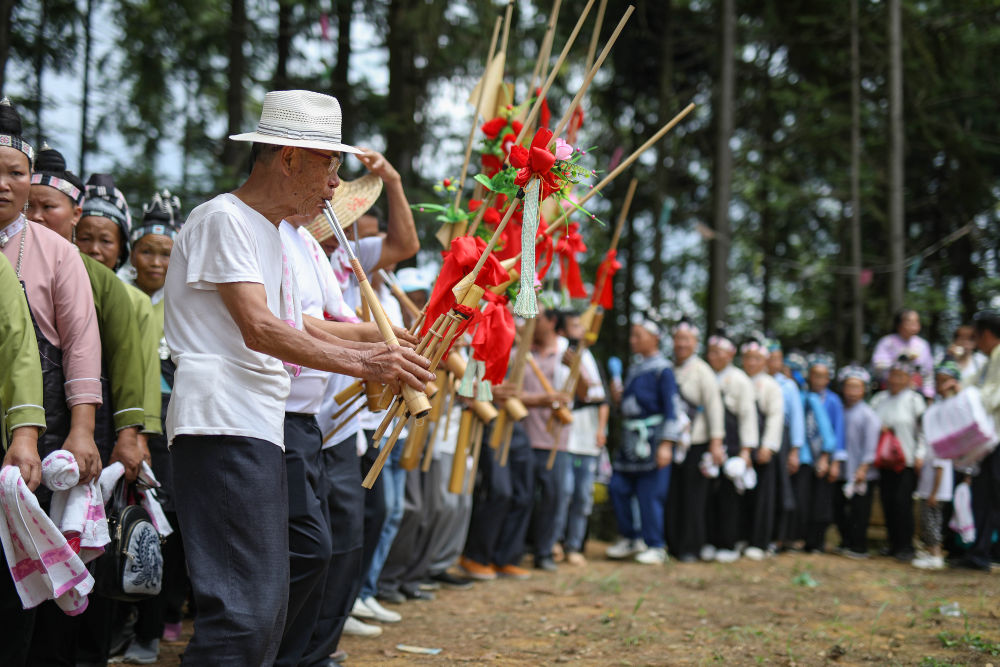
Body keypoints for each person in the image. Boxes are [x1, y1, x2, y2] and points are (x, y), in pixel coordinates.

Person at [163, 90, 433, 666]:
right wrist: (368, 362)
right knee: (243, 613)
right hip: (221, 425)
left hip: (258, 427)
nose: (337, 184)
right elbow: (261, 329)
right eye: (329, 164)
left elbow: (297, 325)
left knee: (264, 607)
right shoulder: (222, 217)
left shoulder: (273, 233)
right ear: (288, 158)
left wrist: (380, 342)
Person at [0, 99, 103, 667]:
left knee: (16, 571)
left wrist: (82, 432)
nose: (4, 184)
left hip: (36, 429)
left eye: (15, 173)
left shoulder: (57, 252)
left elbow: (82, 345)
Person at [118, 191, 191, 654]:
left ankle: (156, 621)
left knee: (166, 523)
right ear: (133, 252)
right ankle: (123, 618)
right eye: (147, 251)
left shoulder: (186, 299)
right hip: (124, 421)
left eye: (167, 254)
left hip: (170, 427)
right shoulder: (118, 294)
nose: (156, 262)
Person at [606, 317, 678, 565]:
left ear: (654, 338)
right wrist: (620, 398)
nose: (632, 340)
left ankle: (656, 544)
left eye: (638, 335)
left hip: (653, 438)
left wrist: (667, 443)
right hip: (630, 437)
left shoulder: (663, 369)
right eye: (632, 335)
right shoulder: (635, 368)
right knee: (618, 487)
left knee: (650, 493)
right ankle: (630, 537)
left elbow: (672, 408)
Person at [665, 318, 725, 563]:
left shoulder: (702, 371)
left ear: (695, 343)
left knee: (694, 497)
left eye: (686, 340)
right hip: (673, 441)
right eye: (678, 339)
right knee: (674, 494)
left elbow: (714, 408)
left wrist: (716, 443)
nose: (681, 344)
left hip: (697, 442)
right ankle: (674, 544)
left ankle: (692, 546)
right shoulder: (669, 368)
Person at [521, 307, 572, 572]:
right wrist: (539, 400)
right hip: (523, 436)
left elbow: (584, 392)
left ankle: (544, 551)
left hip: (554, 440)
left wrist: (574, 369)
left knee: (554, 497)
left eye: (536, 318)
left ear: (552, 322)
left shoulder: (566, 352)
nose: (530, 322)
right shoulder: (522, 349)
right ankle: (518, 549)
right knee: (523, 497)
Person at [555, 310, 608, 566]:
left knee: (582, 494)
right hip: (566, 434)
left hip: (588, 437)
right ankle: (554, 541)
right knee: (561, 492)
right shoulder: (560, 354)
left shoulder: (590, 357)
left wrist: (602, 430)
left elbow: (602, 399)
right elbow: (582, 393)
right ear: (563, 330)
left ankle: (574, 545)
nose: (581, 329)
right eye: (575, 325)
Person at [703, 330, 758, 563]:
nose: (713, 356)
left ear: (730, 354)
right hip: (707, 442)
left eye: (718, 352)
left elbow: (748, 417)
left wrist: (746, 451)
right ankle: (710, 540)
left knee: (729, 497)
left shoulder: (739, 380)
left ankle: (729, 542)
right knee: (708, 496)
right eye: (711, 352)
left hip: (733, 444)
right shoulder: (706, 375)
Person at [870, 356, 926, 562]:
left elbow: (923, 432)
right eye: (893, 375)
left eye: (901, 376)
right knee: (887, 502)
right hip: (883, 461)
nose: (895, 380)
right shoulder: (879, 400)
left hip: (906, 461)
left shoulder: (914, 400)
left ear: (909, 378)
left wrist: (920, 454)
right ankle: (893, 543)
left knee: (903, 503)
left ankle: (906, 545)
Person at [956, 309, 1000, 572]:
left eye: (975, 336)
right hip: (988, 441)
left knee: (994, 494)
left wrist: (969, 398)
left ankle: (986, 551)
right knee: (983, 494)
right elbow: (969, 384)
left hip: (996, 438)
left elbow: (993, 396)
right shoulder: (988, 361)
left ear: (985, 334)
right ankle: (979, 552)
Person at [786, 353, 836, 553]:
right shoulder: (795, 395)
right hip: (795, 457)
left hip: (809, 458)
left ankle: (811, 541)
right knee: (798, 500)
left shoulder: (812, 399)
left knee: (812, 502)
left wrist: (825, 455)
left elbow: (828, 433)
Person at [739, 338, 783, 561]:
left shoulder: (770, 385)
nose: (752, 363)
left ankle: (759, 541)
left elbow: (776, 417)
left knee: (762, 498)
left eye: (756, 359)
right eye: (748, 358)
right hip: (741, 449)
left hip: (762, 450)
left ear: (764, 361)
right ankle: (741, 537)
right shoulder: (739, 381)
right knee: (740, 496)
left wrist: (768, 445)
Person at [912, 361, 958, 570]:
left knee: (932, 522)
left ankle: (936, 554)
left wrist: (933, 492)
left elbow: (941, 467)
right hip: (930, 486)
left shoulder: (941, 445)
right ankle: (932, 552)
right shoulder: (932, 442)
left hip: (935, 490)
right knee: (928, 520)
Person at [835, 365, 880, 558]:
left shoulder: (868, 415)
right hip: (842, 470)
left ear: (864, 389)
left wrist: (863, 468)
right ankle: (846, 541)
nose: (852, 392)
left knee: (859, 511)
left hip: (861, 473)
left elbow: (871, 446)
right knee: (839, 508)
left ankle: (859, 546)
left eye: (857, 387)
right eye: (849, 387)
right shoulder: (840, 410)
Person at [766, 340, 806, 550]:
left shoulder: (788, 385)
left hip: (784, 439)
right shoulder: (758, 381)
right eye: (771, 358)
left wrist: (795, 450)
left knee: (783, 490)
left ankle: (780, 538)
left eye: (778, 359)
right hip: (763, 437)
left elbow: (797, 418)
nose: (775, 362)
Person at [872, 308, 935, 400]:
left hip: (915, 393)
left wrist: (929, 394)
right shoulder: (887, 342)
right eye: (910, 322)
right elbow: (878, 365)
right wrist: (899, 360)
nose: (914, 325)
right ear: (899, 324)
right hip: (890, 392)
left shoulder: (922, 345)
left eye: (917, 321)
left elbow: (928, 371)